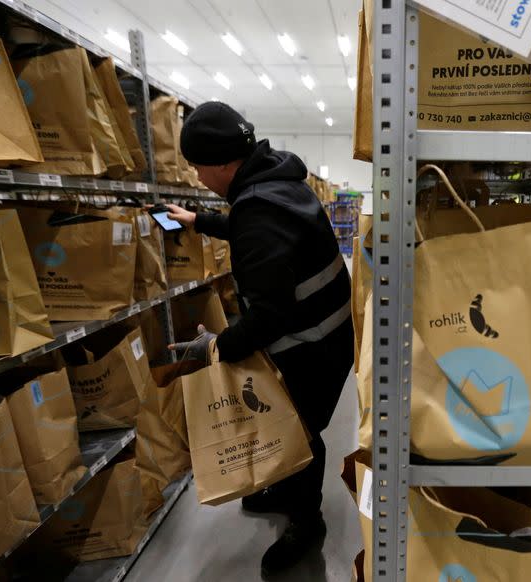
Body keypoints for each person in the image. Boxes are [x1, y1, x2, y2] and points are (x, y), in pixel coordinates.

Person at [164, 102, 353, 577]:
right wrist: (199, 220)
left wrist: (213, 348)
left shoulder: (259, 209)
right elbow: (250, 225)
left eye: (199, 167)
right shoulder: (274, 183)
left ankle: (306, 522)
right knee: (292, 421)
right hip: (326, 336)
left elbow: (268, 318)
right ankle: (288, 488)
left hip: (312, 346)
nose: (199, 177)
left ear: (225, 162)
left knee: (300, 428)